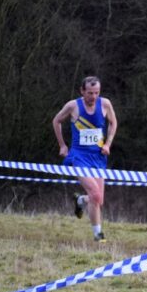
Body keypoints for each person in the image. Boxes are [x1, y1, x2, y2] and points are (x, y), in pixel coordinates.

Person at [52, 76, 118, 242]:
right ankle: (98, 235)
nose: (93, 97)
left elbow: (113, 123)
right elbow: (56, 121)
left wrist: (108, 144)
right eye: (90, 93)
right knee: (95, 193)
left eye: (96, 93)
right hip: (79, 157)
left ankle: (81, 200)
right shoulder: (73, 106)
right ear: (82, 91)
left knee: (98, 199)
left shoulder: (105, 104)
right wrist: (62, 145)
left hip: (98, 157)